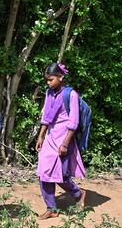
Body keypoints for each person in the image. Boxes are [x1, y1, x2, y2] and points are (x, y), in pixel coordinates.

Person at [35, 62, 87, 219]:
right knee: (43, 172)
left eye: (51, 79)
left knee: (61, 175)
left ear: (61, 77)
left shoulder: (71, 95)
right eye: (47, 80)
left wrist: (65, 143)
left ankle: (78, 194)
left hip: (64, 138)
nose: (48, 83)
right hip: (50, 137)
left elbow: (74, 122)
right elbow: (46, 116)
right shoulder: (49, 93)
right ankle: (51, 208)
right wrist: (41, 136)